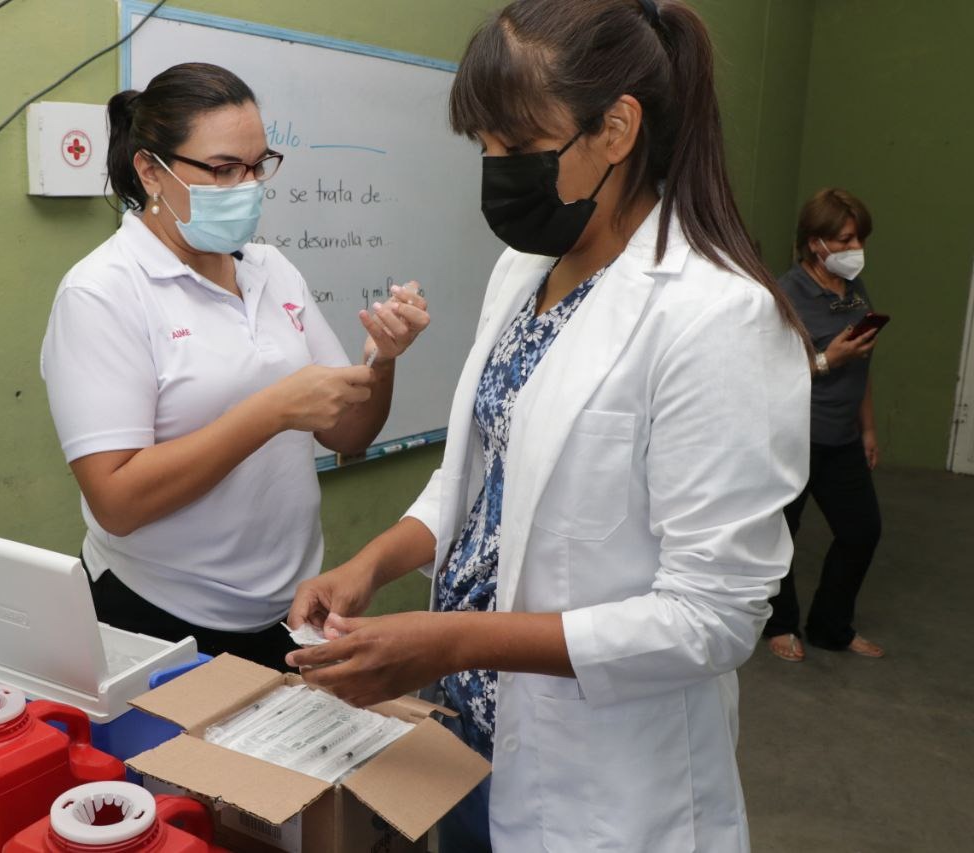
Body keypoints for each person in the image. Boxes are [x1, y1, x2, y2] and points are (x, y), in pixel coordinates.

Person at [286, 1, 809, 850]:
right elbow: (488, 475)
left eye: (520, 151)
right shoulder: (524, 269)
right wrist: (372, 562)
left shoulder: (716, 318)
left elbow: (710, 617)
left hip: (598, 781)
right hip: (469, 733)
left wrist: (450, 639)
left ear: (617, 129)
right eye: (484, 149)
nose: (496, 172)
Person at [40, 63, 429, 671]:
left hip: (286, 609)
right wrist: (270, 413)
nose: (247, 186)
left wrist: (382, 361)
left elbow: (349, 433)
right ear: (150, 170)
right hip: (158, 614)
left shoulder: (271, 269)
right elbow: (116, 499)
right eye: (223, 169)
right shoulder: (103, 293)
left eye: (257, 165)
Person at [763, 188, 885, 662]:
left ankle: (831, 627)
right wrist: (825, 359)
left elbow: (863, 365)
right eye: (848, 240)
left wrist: (868, 428)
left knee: (862, 531)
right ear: (816, 243)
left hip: (843, 436)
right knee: (781, 537)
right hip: (794, 436)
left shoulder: (854, 291)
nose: (857, 250)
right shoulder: (783, 294)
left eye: (860, 240)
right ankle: (780, 623)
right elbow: (767, 372)